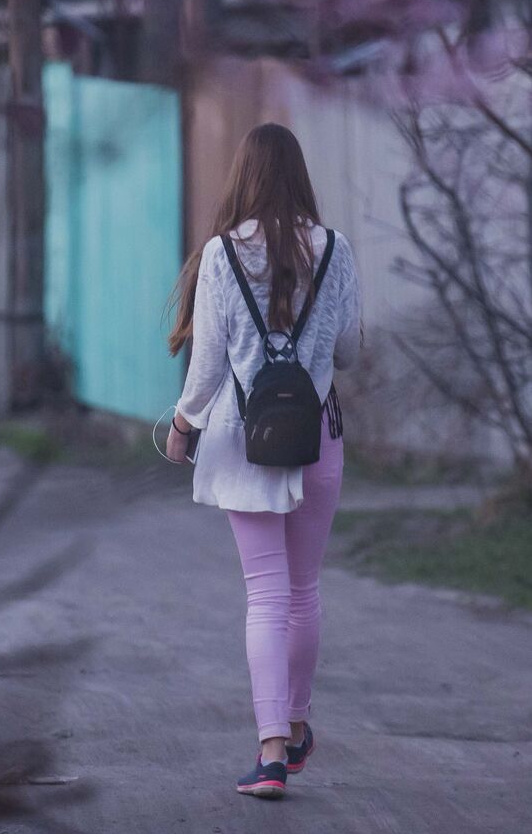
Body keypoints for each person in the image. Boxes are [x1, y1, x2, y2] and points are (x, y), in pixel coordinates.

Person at [164, 122, 361, 800]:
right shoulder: (335, 250)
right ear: (300, 175)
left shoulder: (222, 255)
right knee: (303, 592)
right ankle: (296, 726)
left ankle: (271, 750)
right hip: (316, 437)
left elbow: (207, 364)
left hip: (245, 441)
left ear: (243, 177)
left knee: (266, 593)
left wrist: (182, 424)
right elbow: (349, 351)